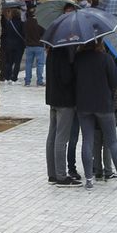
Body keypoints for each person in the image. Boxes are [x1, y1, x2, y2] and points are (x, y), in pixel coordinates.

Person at [73, 40, 117, 190]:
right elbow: (115, 82)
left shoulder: (78, 58)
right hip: (104, 105)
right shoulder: (105, 58)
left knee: (87, 141)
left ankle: (89, 180)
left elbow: (74, 80)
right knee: (112, 141)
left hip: (84, 105)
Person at [43, 44, 81, 185]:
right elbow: (66, 78)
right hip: (64, 101)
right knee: (61, 137)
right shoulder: (64, 53)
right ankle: (61, 175)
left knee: (52, 135)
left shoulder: (51, 52)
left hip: (53, 98)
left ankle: (52, 174)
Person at [21, 9, 47, 86]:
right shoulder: (40, 22)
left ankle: (27, 81)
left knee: (28, 64)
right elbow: (44, 34)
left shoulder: (26, 23)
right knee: (40, 64)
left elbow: (23, 33)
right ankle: (39, 81)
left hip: (29, 45)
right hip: (39, 45)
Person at [1, 7, 26, 82]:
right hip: (19, 45)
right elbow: (23, 34)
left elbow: (5, 33)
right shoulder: (22, 24)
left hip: (9, 44)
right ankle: (14, 76)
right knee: (17, 62)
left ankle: (7, 76)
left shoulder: (8, 23)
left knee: (9, 61)